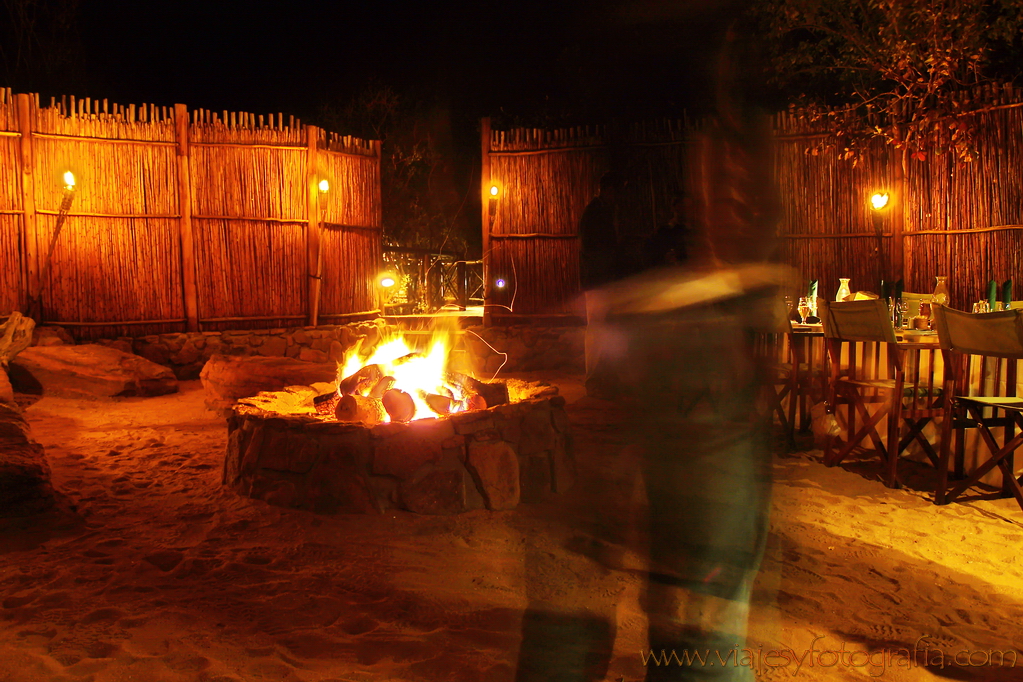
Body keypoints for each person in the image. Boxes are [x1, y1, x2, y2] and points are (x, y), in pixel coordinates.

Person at [578, 172, 624, 290]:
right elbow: (591, 247)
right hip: (597, 280)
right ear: (609, 190)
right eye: (618, 192)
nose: (619, 197)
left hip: (602, 278)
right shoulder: (594, 212)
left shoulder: (605, 211)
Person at [645, 194, 692, 269]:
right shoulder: (664, 231)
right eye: (682, 206)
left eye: (688, 207)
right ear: (674, 208)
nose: (685, 209)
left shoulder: (696, 230)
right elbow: (652, 254)